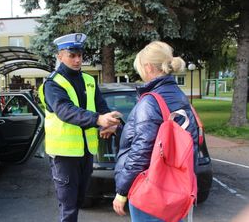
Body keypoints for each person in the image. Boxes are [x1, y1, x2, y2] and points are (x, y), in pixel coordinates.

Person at [112, 41, 199, 222]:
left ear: (149, 67)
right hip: (176, 188)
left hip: (151, 189)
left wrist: (122, 190)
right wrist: (121, 129)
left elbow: (142, 150)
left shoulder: (150, 101)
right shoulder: (179, 96)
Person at [43, 33, 121, 222]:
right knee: (68, 207)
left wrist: (110, 123)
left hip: (86, 152)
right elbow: (65, 111)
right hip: (64, 156)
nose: (78, 60)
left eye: (80, 55)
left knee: (78, 201)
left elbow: (102, 107)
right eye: (72, 55)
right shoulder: (53, 83)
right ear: (59, 56)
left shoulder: (89, 80)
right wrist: (98, 120)